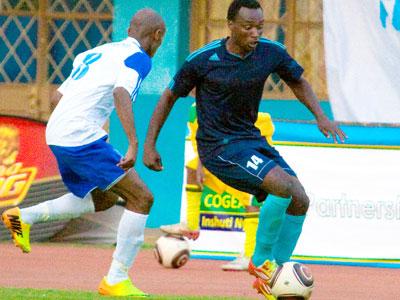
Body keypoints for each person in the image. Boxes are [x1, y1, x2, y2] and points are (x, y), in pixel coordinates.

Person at [143, 0, 346, 298]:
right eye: (248, 27)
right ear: (231, 26)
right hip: (217, 147)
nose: (255, 33)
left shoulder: (269, 53)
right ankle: (262, 262)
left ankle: (273, 272)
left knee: (300, 198)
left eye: (260, 27)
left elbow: (297, 80)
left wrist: (320, 116)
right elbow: (169, 96)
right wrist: (149, 145)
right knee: (282, 188)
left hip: (250, 140)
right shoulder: (204, 59)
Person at [1, 8, 165, 298]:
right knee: (142, 197)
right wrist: (133, 143)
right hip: (80, 136)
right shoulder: (139, 58)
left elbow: (56, 97)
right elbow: (120, 93)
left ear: (128, 31)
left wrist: (71, 127)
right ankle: (116, 279)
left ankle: (24, 216)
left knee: (104, 198)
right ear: (157, 36)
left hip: (58, 133)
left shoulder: (96, 52)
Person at [160, 104, 275, 271]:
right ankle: (191, 224)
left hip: (250, 146)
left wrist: (203, 162)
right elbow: (206, 137)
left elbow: (218, 132)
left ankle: (250, 256)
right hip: (223, 151)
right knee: (192, 169)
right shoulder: (195, 107)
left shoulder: (219, 99)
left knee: (251, 199)